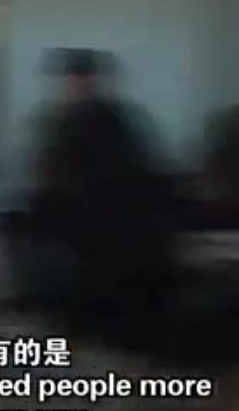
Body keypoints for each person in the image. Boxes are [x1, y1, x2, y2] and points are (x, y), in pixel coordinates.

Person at [26, 49, 176, 323]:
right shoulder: (67, 120)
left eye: (79, 80)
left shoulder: (109, 119)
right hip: (91, 217)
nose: (75, 87)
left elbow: (133, 169)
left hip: (106, 216)